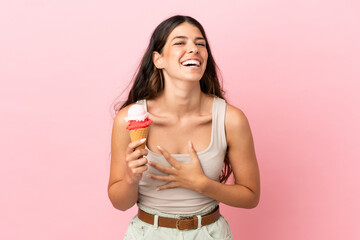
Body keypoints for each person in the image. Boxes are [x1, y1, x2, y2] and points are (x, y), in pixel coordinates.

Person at [108, 15, 260, 240]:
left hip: (210, 234)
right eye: (180, 42)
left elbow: (251, 196)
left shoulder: (231, 119)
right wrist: (131, 178)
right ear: (158, 59)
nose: (194, 49)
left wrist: (202, 184)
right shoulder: (127, 120)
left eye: (200, 44)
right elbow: (120, 203)